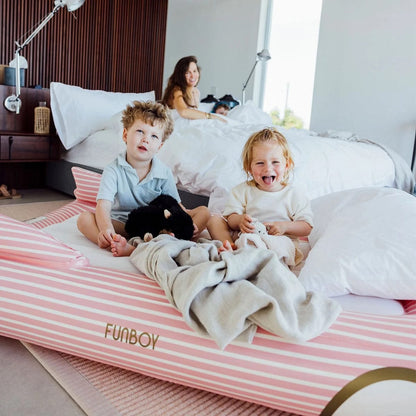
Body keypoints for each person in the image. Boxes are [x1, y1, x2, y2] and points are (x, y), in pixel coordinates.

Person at [77, 100, 210, 252]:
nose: (146, 139)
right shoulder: (113, 170)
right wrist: (106, 229)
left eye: (154, 136)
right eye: (140, 131)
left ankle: (167, 240)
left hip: (156, 225)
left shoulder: (164, 172)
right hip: (123, 224)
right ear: (125, 135)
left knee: (204, 212)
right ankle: (116, 244)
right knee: (84, 219)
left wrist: (185, 222)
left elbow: (175, 205)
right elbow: (103, 205)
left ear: (159, 146)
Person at [207, 127, 313, 261]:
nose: (268, 168)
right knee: (214, 219)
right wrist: (240, 221)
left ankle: (254, 257)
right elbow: (230, 219)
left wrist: (284, 226)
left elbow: (306, 227)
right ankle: (231, 247)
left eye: (275, 162)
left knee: (281, 244)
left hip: (279, 240)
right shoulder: (242, 190)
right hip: (247, 237)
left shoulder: (294, 194)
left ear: (287, 165)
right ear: (248, 167)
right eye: (260, 163)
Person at [161, 56, 225, 122]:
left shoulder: (196, 92)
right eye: (187, 73)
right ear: (180, 75)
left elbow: (193, 115)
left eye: (194, 71)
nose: (193, 76)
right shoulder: (176, 91)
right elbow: (183, 112)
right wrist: (211, 116)